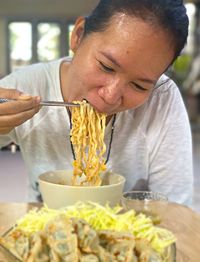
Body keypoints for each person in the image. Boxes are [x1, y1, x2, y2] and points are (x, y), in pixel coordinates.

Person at [0, 0, 193, 205]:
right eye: (106, 67)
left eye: (139, 86)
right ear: (78, 36)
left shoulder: (162, 99)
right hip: (45, 229)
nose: (110, 96)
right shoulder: (27, 86)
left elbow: (174, 209)